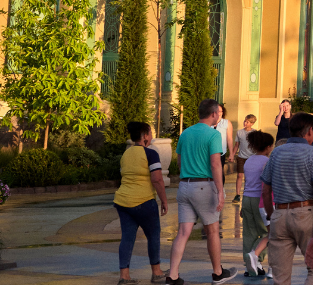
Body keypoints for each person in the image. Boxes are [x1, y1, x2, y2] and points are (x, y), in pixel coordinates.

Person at [262, 113, 313, 285]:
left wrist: (271, 216)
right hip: (306, 213)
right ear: (308, 131)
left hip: (279, 214)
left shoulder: (276, 152)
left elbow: (265, 189)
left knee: (280, 276)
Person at [170, 99, 232, 285]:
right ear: (213, 114)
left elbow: (179, 162)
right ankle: (217, 272)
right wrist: (220, 191)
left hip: (184, 185)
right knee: (212, 231)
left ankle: (172, 275)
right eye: (218, 114)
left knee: (182, 233)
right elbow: (215, 164)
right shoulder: (213, 135)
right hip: (204, 186)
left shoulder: (186, 133)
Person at [115, 120, 168, 285]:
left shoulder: (126, 154)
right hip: (144, 201)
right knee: (153, 236)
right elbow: (157, 179)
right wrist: (164, 201)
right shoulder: (150, 153)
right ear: (144, 136)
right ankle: (156, 272)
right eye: (150, 133)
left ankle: (124, 276)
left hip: (123, 202)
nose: (151, 137)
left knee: (127, 238)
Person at [239, 132, 272, 279]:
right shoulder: (267, 161)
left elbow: (247, 182)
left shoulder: (248, 161)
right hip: (260, 200)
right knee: (266, 233)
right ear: (267, 147)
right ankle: (256, 260)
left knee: (248, 233)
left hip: (247, 198)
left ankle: (248, 265)